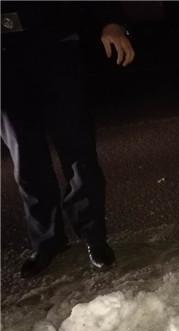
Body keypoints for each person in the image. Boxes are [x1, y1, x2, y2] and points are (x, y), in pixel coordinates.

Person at [1, 2, 135, 278]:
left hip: (55, 44)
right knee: (25, 156)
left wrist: (111, 21)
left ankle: (94, 235)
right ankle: (46, 240)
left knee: (77, 146)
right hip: (4, 59)